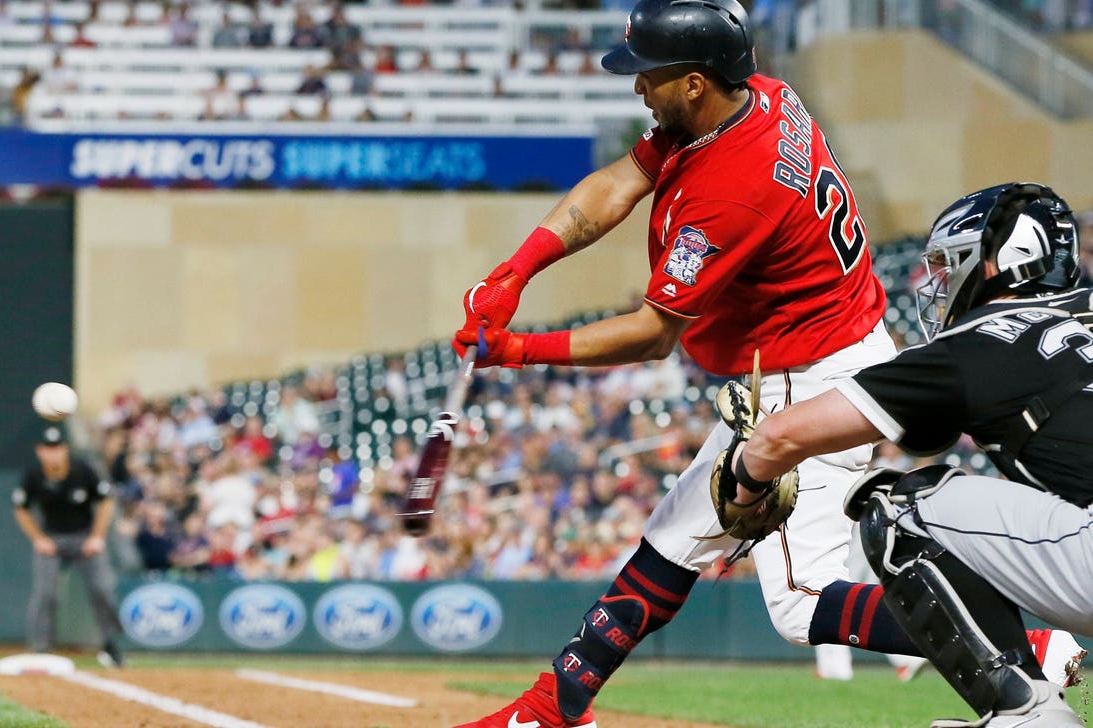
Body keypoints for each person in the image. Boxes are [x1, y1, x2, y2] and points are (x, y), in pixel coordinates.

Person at [450, 2, 1031, 726]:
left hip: (806, 379)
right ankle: (555, 704)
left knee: (802, 603)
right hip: (817, 359)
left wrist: (517, 350)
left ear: (695, 82)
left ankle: (1025, 640)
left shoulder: (733, 186)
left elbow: (653, 334)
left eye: (649, 75)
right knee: (672, 540)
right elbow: (619, 184)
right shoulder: (761, 100)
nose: (637, 88)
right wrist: (517, 270)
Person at [730, 182, 1089, 726]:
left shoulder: (979, 341)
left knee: (900, 507)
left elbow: (778, 439)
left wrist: (744, 485)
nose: (938, 280)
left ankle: (1027, 711)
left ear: (1003, 261)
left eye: (953, 262)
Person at [12, 424, 125, 668]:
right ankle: (41, 649)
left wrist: (97, 536)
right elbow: (21, 509)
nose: (52, 453)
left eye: (57, 448)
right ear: (39, 451)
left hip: (84, 537)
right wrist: (39, 539)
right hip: (52, 539)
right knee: (45, 594)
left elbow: (106, 502)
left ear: (65, 449)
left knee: (102, 589)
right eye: (47, 449)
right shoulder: (33, 476)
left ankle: (111, 645)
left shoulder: (83, 470)